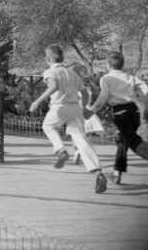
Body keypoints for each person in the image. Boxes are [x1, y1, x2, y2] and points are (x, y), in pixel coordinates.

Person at [29, 45, 107, 194]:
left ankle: (61, 150)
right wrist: (84, 107)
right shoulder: (72, 73)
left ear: (48, 59)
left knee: (48, 127)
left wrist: (37, 101)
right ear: (63, 58)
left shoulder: (51, 71)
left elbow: (53, 86)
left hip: (60, 107)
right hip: (76, 109)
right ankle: (98, 173)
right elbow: (84, 93)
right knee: (82, 140)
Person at [89, 51, 148, 184]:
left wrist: (92, 110)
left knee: (133, 142)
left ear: (108, 65)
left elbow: (103, 96)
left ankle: (116, 173)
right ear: (122, 65)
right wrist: (147, 108)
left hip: (121, 112)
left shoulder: (106, 78)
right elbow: (146, 89)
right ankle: (116, 173)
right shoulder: (130, 77)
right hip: (134, 111)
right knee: (123, 141)